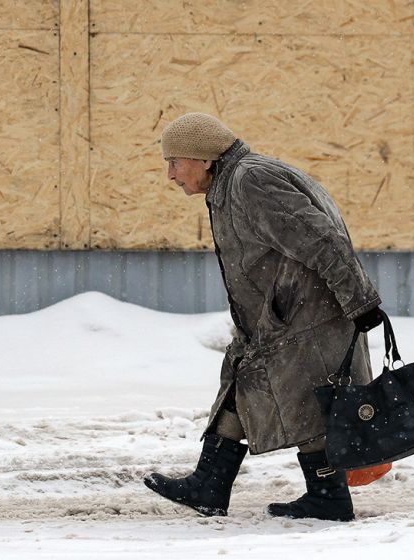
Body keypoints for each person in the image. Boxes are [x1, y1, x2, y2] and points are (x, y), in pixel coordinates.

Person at [144, 113, 384, 521]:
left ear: (203, 159)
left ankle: (328, 498)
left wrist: (359, 300)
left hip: (305, 315)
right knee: (245, 380)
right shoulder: (234, 182)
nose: (170, 174)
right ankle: (210, 483)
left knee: (306, 402)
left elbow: (320, 238)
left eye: (174, 162)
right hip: (281, 314)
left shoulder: (251, 182)